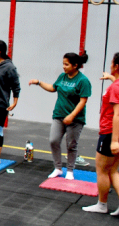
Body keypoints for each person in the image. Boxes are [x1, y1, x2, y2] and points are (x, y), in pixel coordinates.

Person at [83, 52, 119, 217]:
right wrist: (111, 78)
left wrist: (114, 141)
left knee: (102, 170)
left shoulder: (117, 88)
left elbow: (117, 115)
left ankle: (102, 205)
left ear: (116, 66)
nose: (110, 65)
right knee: (113, 170)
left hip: (112, 133)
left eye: (112, 63)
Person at [29, 52, 92, 180]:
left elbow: (83, 101)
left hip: (75, 119)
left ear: (75, 65)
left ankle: (70, 170)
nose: (63, 67)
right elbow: (53, 88)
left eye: (66, 64)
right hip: (59, 115)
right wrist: (39, 82)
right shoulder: (62, 77)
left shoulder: (83, 81)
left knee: (71, 145)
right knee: (54, 140)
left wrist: (72, 116)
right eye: (63, 64)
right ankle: (58, 168)